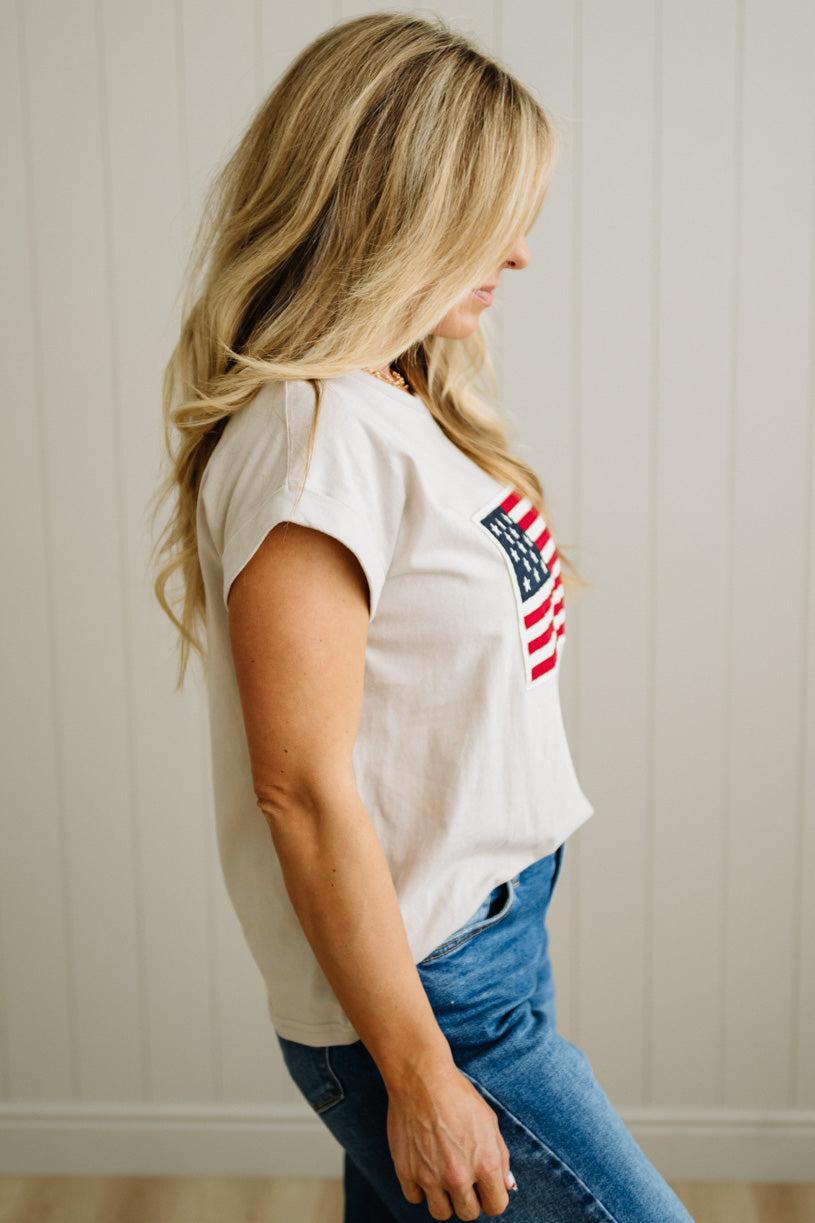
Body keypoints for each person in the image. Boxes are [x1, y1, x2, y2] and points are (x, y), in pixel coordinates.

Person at [151, 11, 696, 1222]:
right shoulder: (314, 435)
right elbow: (298, 787)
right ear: (397, 206)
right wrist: (416, 1070)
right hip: (433, 992)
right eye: (495, 213)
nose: (519, 253)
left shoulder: (385, 403)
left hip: (482, 953)